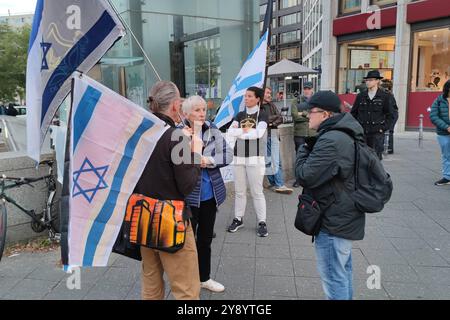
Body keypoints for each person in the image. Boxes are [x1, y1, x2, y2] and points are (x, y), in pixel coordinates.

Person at [135, 81, 203, 300]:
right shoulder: (177, 137)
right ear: (175, 106)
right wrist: (196, 153)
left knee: (151, 287)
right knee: (186, 290)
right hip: (171, 222)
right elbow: (188, 185)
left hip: (143, 218)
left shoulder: (140, 134)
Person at [295, 90, 366, 300]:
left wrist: (303, 150)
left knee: (334, 278)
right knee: (342, 274)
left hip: (332, 221)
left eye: (311, 111)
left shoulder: (331, 140)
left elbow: (304, 176)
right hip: (343, 215)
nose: (308, 115)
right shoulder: (344, 133)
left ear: (325, 114)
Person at [182, 95, 233, 293]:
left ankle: (204, 277)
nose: (202, 113)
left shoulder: (212, 130)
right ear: (186, 113)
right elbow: (178, 161)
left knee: (205, 239)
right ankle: (186, 279)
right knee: (186, 242)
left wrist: (207, 160)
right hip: (187, 196)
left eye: (203, 109)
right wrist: (191, 149)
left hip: (210, 194)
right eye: (197, 110)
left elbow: (228, 155)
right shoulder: (178, 132)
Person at [227, 87, 269, 237]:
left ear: (257, 99)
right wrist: (246, 132)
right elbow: (230, 132)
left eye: (250, 96)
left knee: (257, 191)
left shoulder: (262, 114)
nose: (246, 98)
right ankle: (238, 218)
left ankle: (262, 222)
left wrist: (241, 133)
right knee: (239, 191)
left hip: (255, 157)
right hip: (239, 156)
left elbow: (259, 134)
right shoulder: (240, 114)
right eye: (245, 96)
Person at [351, 70, 395, 160]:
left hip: (376, 135)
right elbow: (353, 113)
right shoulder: (361, 96)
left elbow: (391, 115)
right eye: (367, 80)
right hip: (362, 134)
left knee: (375, 161)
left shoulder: (385, 96)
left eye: (370, 80)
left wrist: (382, 128)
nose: (368, 82)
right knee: (361, 159)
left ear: (377, 81)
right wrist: (355, 128)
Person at [262, 87, 293, 194]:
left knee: (277, 161)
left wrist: (271, 123)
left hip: (274, 135)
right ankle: (274, 184)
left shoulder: (272, 105)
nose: (270, 95)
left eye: (270, 93)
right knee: (268, 162)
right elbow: (263, 119)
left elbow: (280, 118)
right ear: (262, 94)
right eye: (267, 93)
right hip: (265, 136)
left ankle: (279, 184)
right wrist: (271, 120)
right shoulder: (259, 107)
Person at [291, 81, 316, 188]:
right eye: (305, 88)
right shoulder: (296, 101)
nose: (307, 90)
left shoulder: (316, 101)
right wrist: (309, 115)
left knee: (313, 156)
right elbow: (295, 116)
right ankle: (298, 179)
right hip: (300, 133)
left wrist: (304, 113)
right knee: (299, 156)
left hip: (312, 133)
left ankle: (311, 178)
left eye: (309, 88)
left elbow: (316, 115)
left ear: (312, 89)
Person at [430, 80, 450, 186]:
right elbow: (433, 116)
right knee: (447, 155)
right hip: (444, 133)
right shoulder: (439, 100)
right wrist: (446, 127)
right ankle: (447, 177)